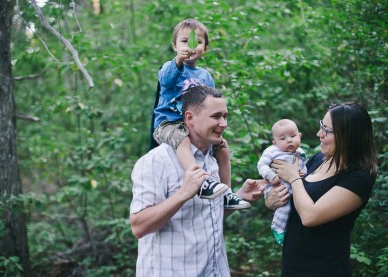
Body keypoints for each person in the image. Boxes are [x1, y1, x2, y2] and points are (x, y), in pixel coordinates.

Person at [131, 85, 265, 276]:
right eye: (216, 116)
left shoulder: (212, 159)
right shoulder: (156, 161)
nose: (224, 123)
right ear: (190, 118)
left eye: (225, 116)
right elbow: (139, 226)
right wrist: (183, 194)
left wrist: (242, 196)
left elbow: (207, 216)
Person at [268, 102, 377, 276]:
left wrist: (293, 177)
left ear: (347, 136)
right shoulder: (319, 159)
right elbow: (296, 199)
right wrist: (274, 200)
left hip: (324, 270)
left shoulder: (358, 178)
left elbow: (310, 216)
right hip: (292, 268)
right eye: (321, 126)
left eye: (327, 130)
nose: (319, 134)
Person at [152, 18, 249, 209]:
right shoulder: (171, 68)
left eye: (198, 41)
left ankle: (227, 194)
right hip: (168, 124)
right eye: (184, 41)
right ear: (175, 46)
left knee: (223, 147)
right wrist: (178, 61)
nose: (191, 46)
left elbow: (212, 106)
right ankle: (201, 182)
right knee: (182, 138)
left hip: (195, 127)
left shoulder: (205, 76)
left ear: (204, 48)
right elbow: (166, 80)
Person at [257, 119, 307, 245]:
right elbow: (261, 164)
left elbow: (303, 165)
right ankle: (277, 228)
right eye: (283, 138)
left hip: (293, 186)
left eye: (292, 136)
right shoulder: (272, 151)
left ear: (299, 136)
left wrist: (303, 172)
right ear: (275, 142)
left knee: (295, 206)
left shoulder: (300, 152)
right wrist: (271, 176)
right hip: (276, 185)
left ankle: (289, 231)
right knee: (284, 206)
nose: (289, 140)